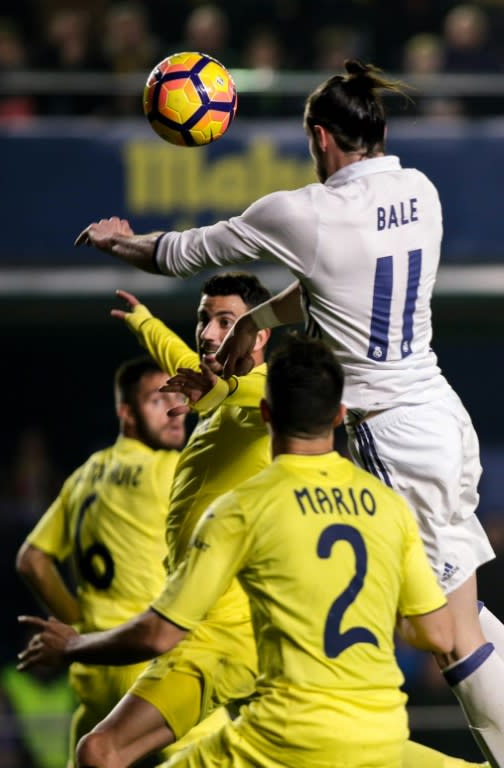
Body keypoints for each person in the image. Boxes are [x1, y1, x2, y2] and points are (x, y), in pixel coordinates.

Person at [73, 59, 504, 767]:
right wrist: (257, 324)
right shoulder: (420, 191)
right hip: (439, 413)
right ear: (380, 131)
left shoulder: (300, 213)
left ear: (317, 135)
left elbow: (183, 253)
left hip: (390, 434)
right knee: (461, 621)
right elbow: (337, 288)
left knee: (444, 635)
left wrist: (122, 242)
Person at [16, 332, 458, 768]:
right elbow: (436, 634)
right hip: (379, 731)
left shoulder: (242, 507)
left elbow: (157, 632)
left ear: (265, 413)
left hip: (280, 735)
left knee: (99, 752)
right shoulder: (387, 506)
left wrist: (74, 643)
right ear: (340, 415)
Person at [15, 355, 186, 766]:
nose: (175, 408)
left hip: (92, 665)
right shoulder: (174, 469)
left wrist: (80, 625)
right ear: (126, 413)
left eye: (179, 396)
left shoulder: (85, 474)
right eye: (157, 400)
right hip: (148, 662)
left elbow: (32, 560)